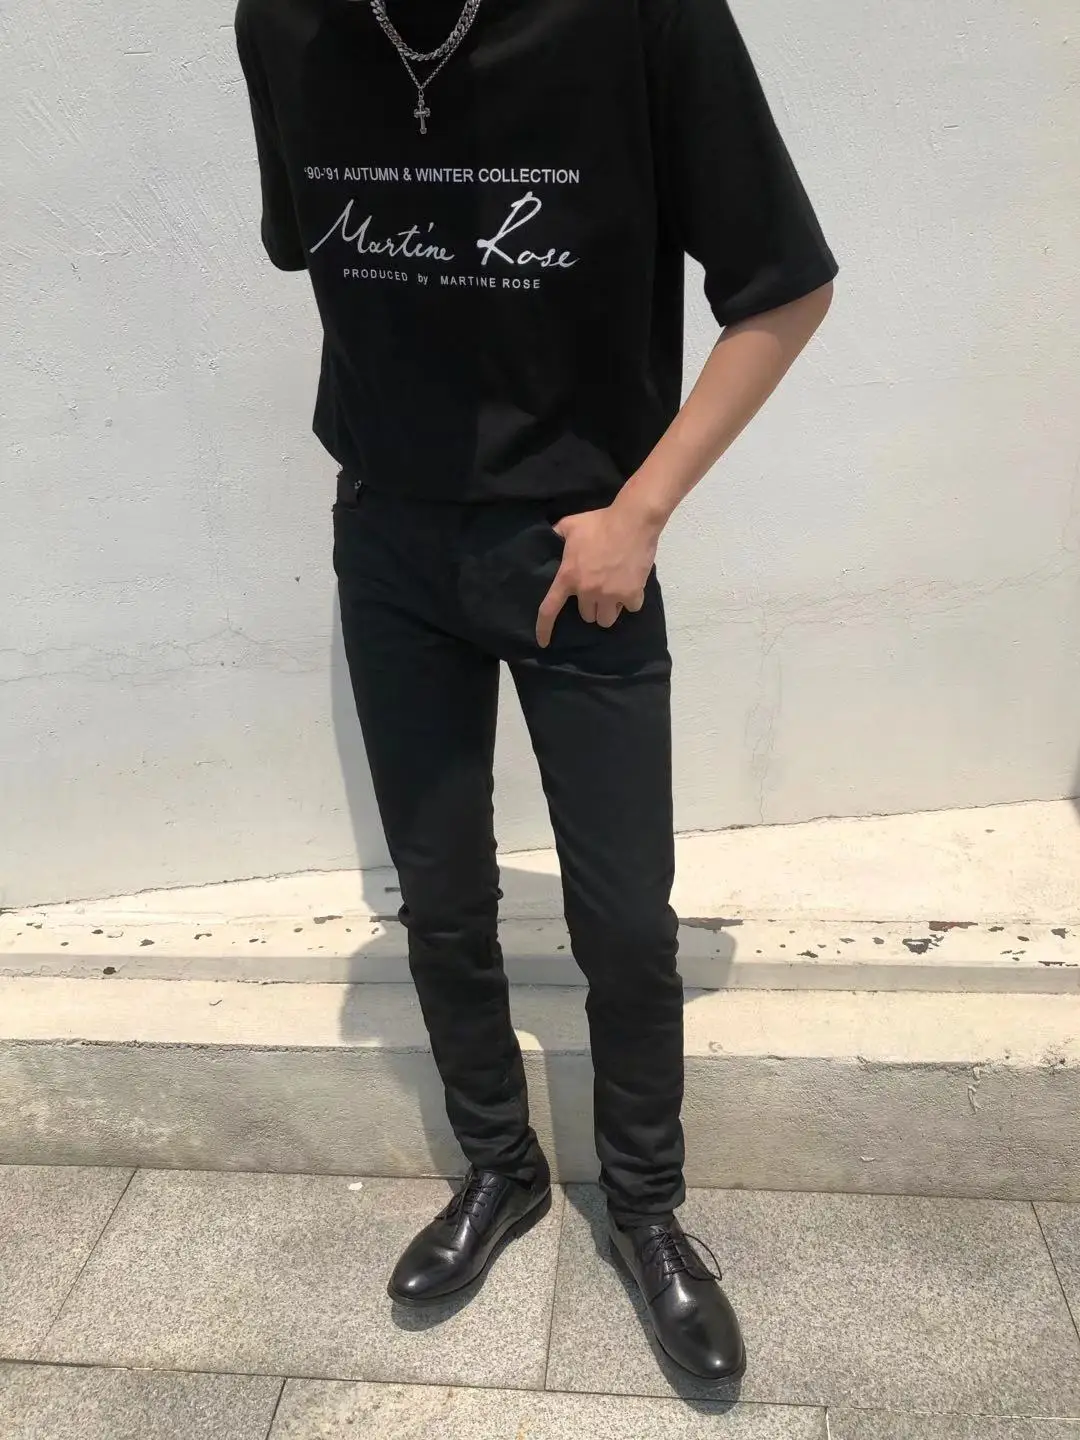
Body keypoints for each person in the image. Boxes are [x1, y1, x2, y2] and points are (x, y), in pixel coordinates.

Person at [236, 0, 836, 1385]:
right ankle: (499, 1168)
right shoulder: (283, 26)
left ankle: (645, 1207)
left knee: (622, 918)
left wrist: (643, 511)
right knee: (439, 896)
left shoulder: (641, 18)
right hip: (390, 533)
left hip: (583, 548)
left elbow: (785, 286)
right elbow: (313, 243)